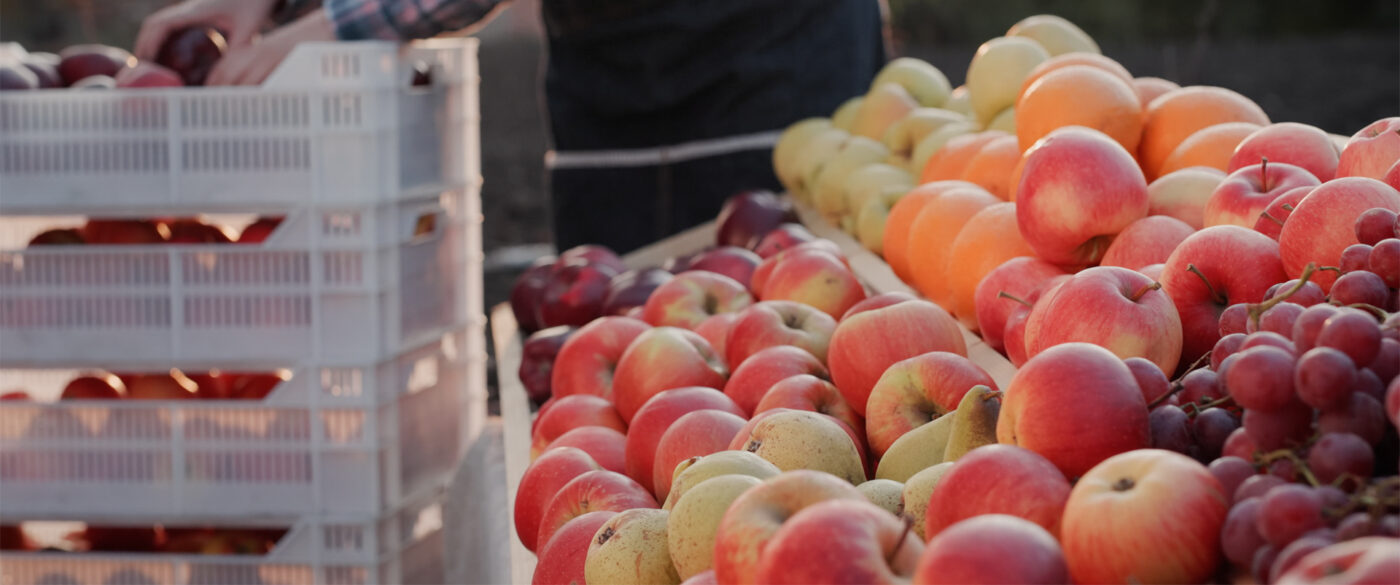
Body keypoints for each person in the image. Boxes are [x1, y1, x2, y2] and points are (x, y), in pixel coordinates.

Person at [137, 0, 888, 253]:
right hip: (617, 87)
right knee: (638, 385)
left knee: (787, 385)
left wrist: (342, 22)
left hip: (777, 70)